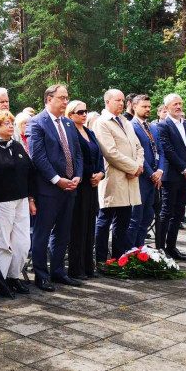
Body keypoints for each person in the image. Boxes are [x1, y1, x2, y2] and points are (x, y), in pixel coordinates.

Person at [28, 84, 84, 291]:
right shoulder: (37, 123)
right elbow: (38, 157)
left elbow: (77, 154)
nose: (65, 102)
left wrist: (77, 175)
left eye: (67, 98)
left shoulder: (69, 124)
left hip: (70, 187)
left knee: (63, 232)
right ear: (49, 99)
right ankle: (41, 275)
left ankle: (58, 271)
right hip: (48, 189)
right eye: (62, 98)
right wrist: (56, 179)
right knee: (42, 232)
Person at [0, 110, 35, 293]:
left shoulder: (18, 147)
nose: (11, 126)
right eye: (6, 123)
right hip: (1, 202)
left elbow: (29, 173)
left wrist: (31, 198)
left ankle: (14, 276)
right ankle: (1, 281)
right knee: (2, 242)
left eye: (11, 123)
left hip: (21, 200)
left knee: (22, 242)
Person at [94, 89, 143, 262]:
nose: (121, 103)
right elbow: (110, 153)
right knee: (105, 220)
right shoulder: (102, 122)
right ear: (107, 102)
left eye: (123, 100)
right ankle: (100, 259)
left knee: (123, 221)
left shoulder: (124, 120)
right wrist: (133, 168)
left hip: (130, 179)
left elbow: (138, 147)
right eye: (117, 100)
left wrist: (138, 166)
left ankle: (118, 258)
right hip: (114, 178)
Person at [157, 94, 186, 260]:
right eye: (175, 104)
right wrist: (184, 168)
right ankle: (161, 249)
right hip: (172, 174)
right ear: (167, 107)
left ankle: (172, 247)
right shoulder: (163, 125)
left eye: (180, 103)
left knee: (179, 211)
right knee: (166, 212)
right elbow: (168, 150)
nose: (179, 106)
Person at [65, 101, 104, 279]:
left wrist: (101, 174)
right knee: (78, 227)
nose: (84, 114)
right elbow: (76, 159)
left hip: (93, 184)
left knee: (90, 225)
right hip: (80, 185)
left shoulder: (90, 132)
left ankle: (89, 266)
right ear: (70, 114)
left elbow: (99, 156)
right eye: (79, 112)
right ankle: (76, 268)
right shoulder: (70, 133)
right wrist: (91, 174)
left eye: (85, 111)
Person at [128, 95, 165, 249]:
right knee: (136, 216)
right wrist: (151, 174)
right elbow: (137, 153)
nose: (148, 109)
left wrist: (161, 171)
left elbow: (161, 150)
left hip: (154, 178)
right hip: (141, 178)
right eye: (144, 106)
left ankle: (141, 249)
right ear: (134, 107)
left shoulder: (153, 127)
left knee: (148, 216)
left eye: (149, 106)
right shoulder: (131, 126)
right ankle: (130, 251)